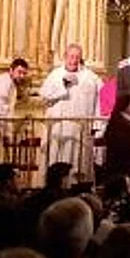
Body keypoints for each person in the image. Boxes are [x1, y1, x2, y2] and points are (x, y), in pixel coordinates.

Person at [40, 43, 102, 180]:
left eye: (77, 57)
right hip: (58, 127)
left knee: (78, 160)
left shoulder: (91, 77)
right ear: (65, 57)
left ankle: (77, 186)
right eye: (71, 57)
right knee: (57, 157)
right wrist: (63, 86)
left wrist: (97, 125)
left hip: (80, 127)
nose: (74, 60)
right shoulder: (55, 75)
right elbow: (44, 96)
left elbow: (100, 100)